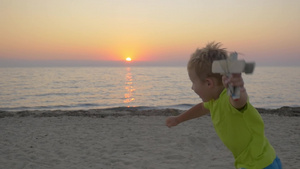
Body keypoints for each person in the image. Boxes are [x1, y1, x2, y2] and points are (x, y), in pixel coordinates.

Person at [165, 42, 282, 169]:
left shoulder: (228, 98)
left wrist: (237, 88)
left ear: (209, 83)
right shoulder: (213, 101)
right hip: (262, 159)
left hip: (258, 165)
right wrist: (179, 119)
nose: (192, 87)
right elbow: (201, 108)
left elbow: (238, 101)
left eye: (193, 82)